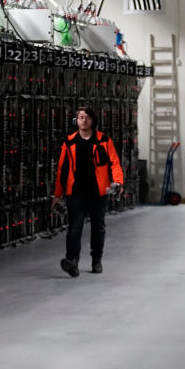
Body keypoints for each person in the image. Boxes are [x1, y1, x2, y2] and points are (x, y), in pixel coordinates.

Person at [52, 107, 123, 277]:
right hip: (76, 192)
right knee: (74, 227)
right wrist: (57, 195)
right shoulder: (69, 142)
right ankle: (72, 261)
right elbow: (62, 170)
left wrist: (119, 182)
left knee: (98, 228)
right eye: (80, 117)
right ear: (76, 121)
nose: (83, 120)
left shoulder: (104, 141)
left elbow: (115, 163)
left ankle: (96, 260)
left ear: (93, 120)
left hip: (98, 192)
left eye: (87, 117)